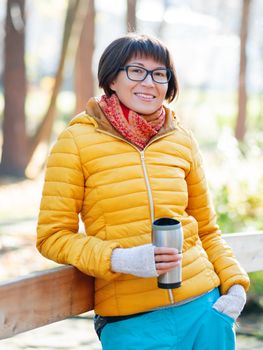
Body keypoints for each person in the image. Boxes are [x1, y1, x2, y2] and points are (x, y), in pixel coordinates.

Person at [37, 33, 250, 350]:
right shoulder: (76, 141)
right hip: (132, 324)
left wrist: (235, 285)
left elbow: (206, 227)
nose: (149, 83)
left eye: (159, 73)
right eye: (136, 71)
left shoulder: (182, 140)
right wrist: (119, 259)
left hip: (205, 311)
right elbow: (52, 236)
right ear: (111, 79)